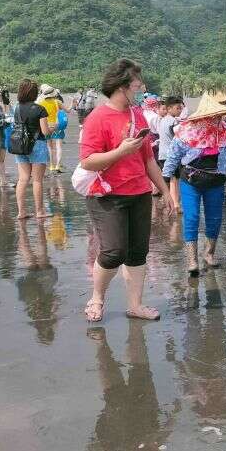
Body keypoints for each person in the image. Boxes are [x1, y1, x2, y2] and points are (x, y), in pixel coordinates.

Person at [80, 58, 173, 323]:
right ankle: (97, 297)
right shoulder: (98, 117)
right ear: (123, 86)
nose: (141, 87)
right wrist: (120, 151)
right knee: (113, 251)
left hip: (139, 193)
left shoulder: (138, 115)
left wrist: (165, 191)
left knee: (137, 252)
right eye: (137, 82)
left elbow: (148, 160)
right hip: (107, 196)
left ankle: (135, 305)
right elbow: (87, 160)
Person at [162, 91, 226, 276]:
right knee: (192, 217)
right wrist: (166, 177)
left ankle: (209, 253)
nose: (218, 119)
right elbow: (173, 156)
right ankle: (192, 258)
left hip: (216, 182)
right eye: (215, 116)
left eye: (220, 116)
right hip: (191, 181)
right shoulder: (187, 132)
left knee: (215, 219)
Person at [12, 79, 56, 220]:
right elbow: (45, 131)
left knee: (23, 179)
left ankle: (21, 212)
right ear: (34, 93)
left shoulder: (16, 108)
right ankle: (40, 211)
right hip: (37, 145)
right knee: (37, 180)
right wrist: (52, 128)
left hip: (20, 145)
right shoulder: (39, 109)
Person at [157, 96, 184, 213]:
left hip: (162, 153)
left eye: (181, 108)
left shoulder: (162, 120)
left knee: (170, 179)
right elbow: (179, 136)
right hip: (171, 155)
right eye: (178, 108)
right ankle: (176, 204)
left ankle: (168, 201)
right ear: (169, 108)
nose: (180, 110)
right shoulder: (173, 121)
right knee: (174, 180)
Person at [37, 84, 71, 173]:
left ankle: (51, 165)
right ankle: (57, 165)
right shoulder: (57, 102)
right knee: (59, 146)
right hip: (57, 126)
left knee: (50, 146)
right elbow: (68, 110)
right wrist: (73, 103)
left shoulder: (41, 103)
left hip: (46, 126)